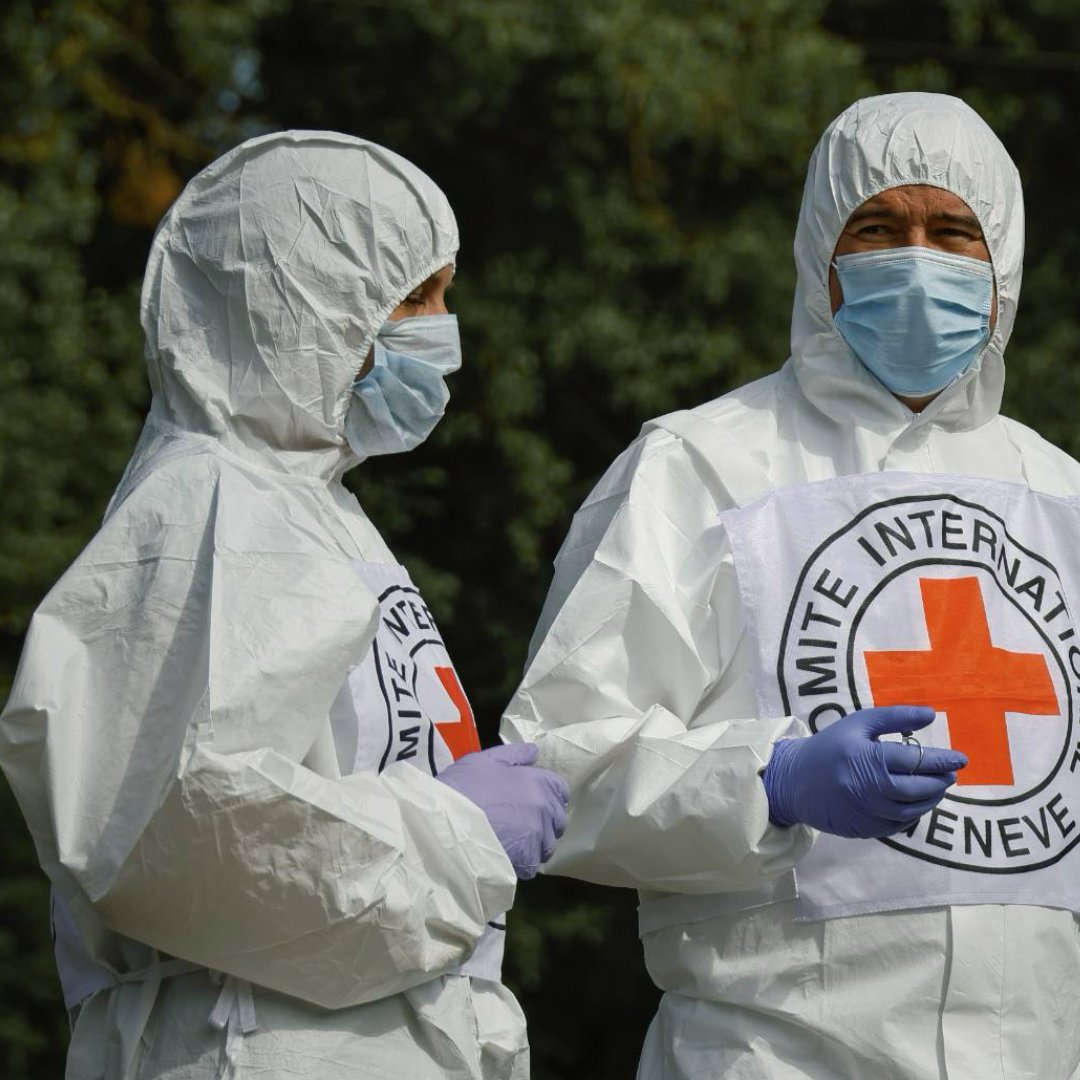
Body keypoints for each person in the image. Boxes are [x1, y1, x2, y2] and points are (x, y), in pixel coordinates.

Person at [502, 92, 1080, 1078]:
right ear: (823, 252)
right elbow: (554, 765)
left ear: (1003, 268)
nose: (917, 258)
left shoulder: (1060, 495)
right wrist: (765, 784)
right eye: (879, 228)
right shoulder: (701, 467)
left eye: (953, 232)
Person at [0, 130, 569, 1080]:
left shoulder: (317, 512)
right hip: (250, 1045)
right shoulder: (214, 505)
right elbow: (166, 825)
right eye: (414, 296)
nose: (441, 329)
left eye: (444, 296)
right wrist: (455, 829)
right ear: (304, 301)